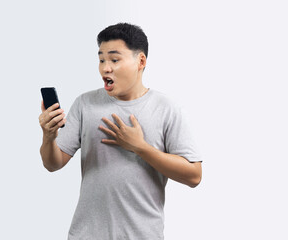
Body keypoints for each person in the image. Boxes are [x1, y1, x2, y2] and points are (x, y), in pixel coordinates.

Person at [39, 23, 202, 239]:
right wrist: (49, 137)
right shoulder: (85, 103)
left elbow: (194, 175)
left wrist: (141, 148)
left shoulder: (165, 108)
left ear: (140, 61)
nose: (106, 68)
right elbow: (53, 163)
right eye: (101, 60)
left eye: (115, 60)